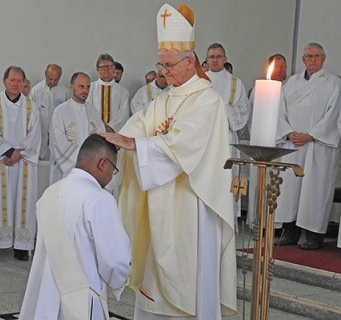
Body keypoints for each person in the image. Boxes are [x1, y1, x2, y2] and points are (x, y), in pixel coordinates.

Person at [100, 4, 237, 319]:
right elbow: (138, 126)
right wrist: (112, 140)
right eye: (160, 65)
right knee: (155, 285)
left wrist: (137, 144)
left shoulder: (208, 99)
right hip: (158, 205)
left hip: (191, 206)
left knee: (187, 275)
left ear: (190, 62)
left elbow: (185, 144)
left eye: (169, 65)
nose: (163, 72)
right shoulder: (162, 99)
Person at [19, 134, 131, 320]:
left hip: (44, 296)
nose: (112, 175)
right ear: (103, 164)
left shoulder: (49, 194)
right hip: (82, 300)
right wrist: (121, 280)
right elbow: (115, 261)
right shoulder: (99, 199)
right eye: (114, 169)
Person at [274, 43, 341, 250]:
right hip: (293, 143)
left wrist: (311, 135)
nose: (312, 60)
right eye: (308, 56)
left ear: (324, 58)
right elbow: (279, 111)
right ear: (303, 59)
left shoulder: (333, 83)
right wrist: (288, 132)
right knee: (291, 188)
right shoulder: (291, 82)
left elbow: (335, 113)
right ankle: (290, 231)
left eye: (316, 56)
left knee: (315, 188)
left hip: (317, 146)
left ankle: (314, 235)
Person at [0, 66, 41, 262]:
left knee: (22, 202)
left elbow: (35, 134)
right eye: (12, 80)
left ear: (23, 83)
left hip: (22, 164)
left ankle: (21, 245)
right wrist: (8, 151)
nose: (15, 84)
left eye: (19, 81)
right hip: (0, 162)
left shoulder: (32, 107)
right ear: (4, 81)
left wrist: (17, 154)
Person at [206, 43, 249, 223]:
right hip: (204, 139)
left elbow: (243, 110)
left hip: (227, 137)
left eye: (218, 56)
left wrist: (221, 108)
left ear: (225, 59)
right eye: (211, 57)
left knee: (226, 177)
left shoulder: (235, 83)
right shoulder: (199, 81)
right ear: (206, 60)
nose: (215, 60)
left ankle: (227, 218)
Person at [246, 54, 288, 225]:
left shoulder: (290, 89)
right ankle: (258, 222)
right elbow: (251, 117)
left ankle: (275, 224)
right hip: (262, 144)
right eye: (277, 67)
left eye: (283, 67)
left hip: (282, 144)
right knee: (260, 183)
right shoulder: (259, 90)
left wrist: (284, 135)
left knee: (277, 185)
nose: (281, 70)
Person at [49, 72, 105, 184]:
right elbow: (57, 142)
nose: (85, 90)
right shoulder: (60, 111)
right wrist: (82, 162)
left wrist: (92, 163)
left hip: (90, 171)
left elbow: (101, 139)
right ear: (72, 86)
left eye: (88, 87)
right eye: (81, 86)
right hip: (67, 170)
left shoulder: (93, 112)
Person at [30, 64, 69, 160]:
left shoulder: (65, 92)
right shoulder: (36, 91)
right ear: (45, 74)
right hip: (39, 138)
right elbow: (31, 117)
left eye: (56, 80)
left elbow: (67, 117)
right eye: (50, 78)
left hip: (57, 139)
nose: (52, 82)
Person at [88, 53, 130, 132]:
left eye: (109, 66)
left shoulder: (123, 91)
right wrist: (100, 126)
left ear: (114, 68)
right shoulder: (90, 88)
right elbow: (88, 110)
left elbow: (123, 114)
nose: (106, 69)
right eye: (102, 67)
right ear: (97, 69)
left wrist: (110, 128)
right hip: (94, 131)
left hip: (114, 132)